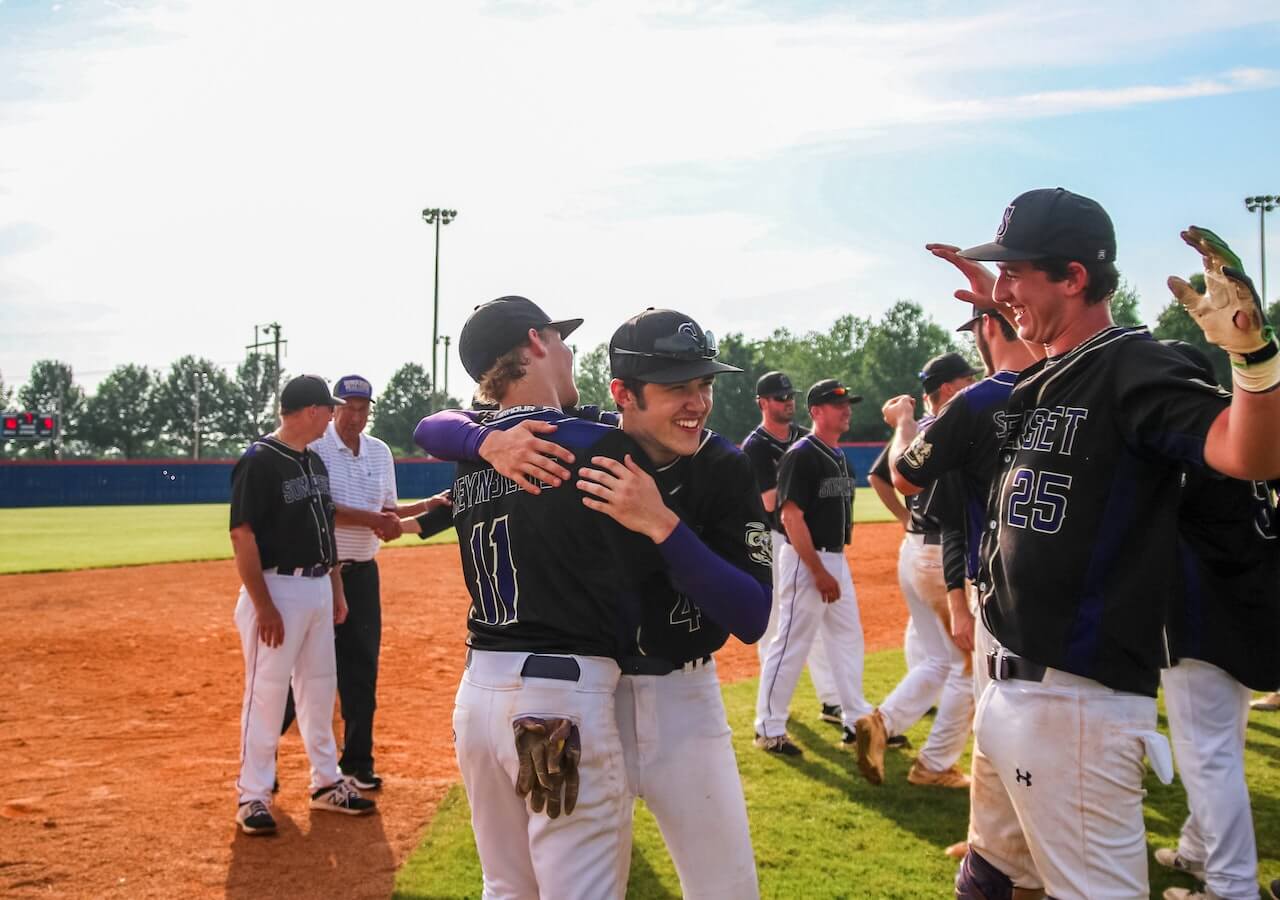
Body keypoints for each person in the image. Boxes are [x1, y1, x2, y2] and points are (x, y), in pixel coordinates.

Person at [908, 188, 1280, 900]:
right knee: (990, 876)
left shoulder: (1134, 365)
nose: (1006, 289)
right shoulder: (1042, 378)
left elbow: (1250, 453)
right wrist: (1001, 308)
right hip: (1014, 688)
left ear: (1075, 277)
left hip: (1078, 705)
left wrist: (1253, 359)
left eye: (1018, 272)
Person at [417, 307, 773, 899]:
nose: (697, 402)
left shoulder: (722, 466)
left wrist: (664, 526)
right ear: (623, 394)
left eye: (704, 384)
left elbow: (752, 615)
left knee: (727, 891)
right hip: (585, 698)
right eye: (676, 387)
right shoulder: (576, 438)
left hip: (680, 702)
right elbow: (437, 425)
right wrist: (486, 443)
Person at [1156, 341, 1280, 900]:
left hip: (1202, 613)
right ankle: (1198, 849)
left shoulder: (1190, 441)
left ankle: (1231, 888)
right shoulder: (1246, 427)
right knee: (1218, 744)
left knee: (1208, 757)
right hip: (1247, 605)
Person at [229, 374, 376, 836]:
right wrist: (264, 605)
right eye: (329, 409)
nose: (333, 416)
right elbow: (242, 534)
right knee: (267, 695)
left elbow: (324, 531)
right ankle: (252, 795)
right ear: (311, 411)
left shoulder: (313, 461)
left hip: (315, 589)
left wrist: (334, 589)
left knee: (318, 690)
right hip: (277, 590)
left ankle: (327, 782)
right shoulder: (259, 461)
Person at [298, 374, 439, 790]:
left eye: (362, 409)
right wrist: (377, 520)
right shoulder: (316, 448)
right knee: (304, 674)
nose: (355, 417)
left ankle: (358, 762)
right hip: (322, 573)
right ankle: (264, 767)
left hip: (363, 575)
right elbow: (322, 509)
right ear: (333, 409)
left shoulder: (378, 452)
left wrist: (430, 506)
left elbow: (388, 511)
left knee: (362, 671)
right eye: (347, 409)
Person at [855, 352, 976, 790]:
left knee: (939, 659)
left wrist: (906, 520)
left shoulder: (919, 431)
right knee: (966, 665)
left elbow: (884, 475)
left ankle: (881, 723)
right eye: (966, 379)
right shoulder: (954, 426)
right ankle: (936, 764)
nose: (973, 385)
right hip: (945, 556)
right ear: (946, 389)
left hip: (915, 550)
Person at [754, 379, 872, 755]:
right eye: (838, 405)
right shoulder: (802, 454)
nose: (846, 410)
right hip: (806, 560)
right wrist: (818, 570)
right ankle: (769, 728)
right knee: (791, 642)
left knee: (847, 638)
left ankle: (856, 720)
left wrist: (832, 567)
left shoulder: (836, 454)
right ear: (817, 412)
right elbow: (790, 518)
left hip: (835, 557)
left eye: (847, 404)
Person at [741, 370, 842, 725]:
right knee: (773, 627)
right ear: (763, 403)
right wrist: (802, 486)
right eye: (780, 398)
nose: (788, 402)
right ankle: (772, 701)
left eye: (790, 397)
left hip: (805, 538)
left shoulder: (802, 438)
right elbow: (770, 503)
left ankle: (831, 700)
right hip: (771, 540)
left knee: (809, 621)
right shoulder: (755, 446)